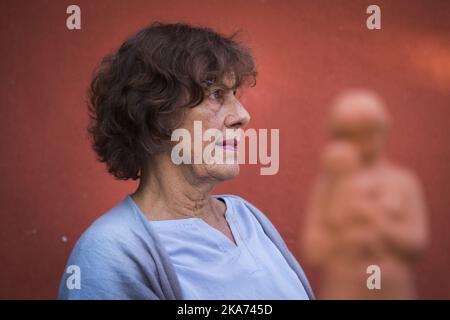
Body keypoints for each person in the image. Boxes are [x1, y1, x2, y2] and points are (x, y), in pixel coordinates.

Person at [58, 22, 314, 300]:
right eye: (216, 95)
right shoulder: (111, 252)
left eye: (234, 95)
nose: (242, 115)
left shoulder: (247, 216)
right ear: (155, 115)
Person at [302, 89, 428, 299]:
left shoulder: (403, 182)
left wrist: (375, 222)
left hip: (392, 287)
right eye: (351, 133)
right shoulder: (330, 185)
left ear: (384, 131)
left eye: (369, 130)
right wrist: (351, 240)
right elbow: (314, 248)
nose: (363, 140)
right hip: (345, 285)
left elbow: (415, 241)